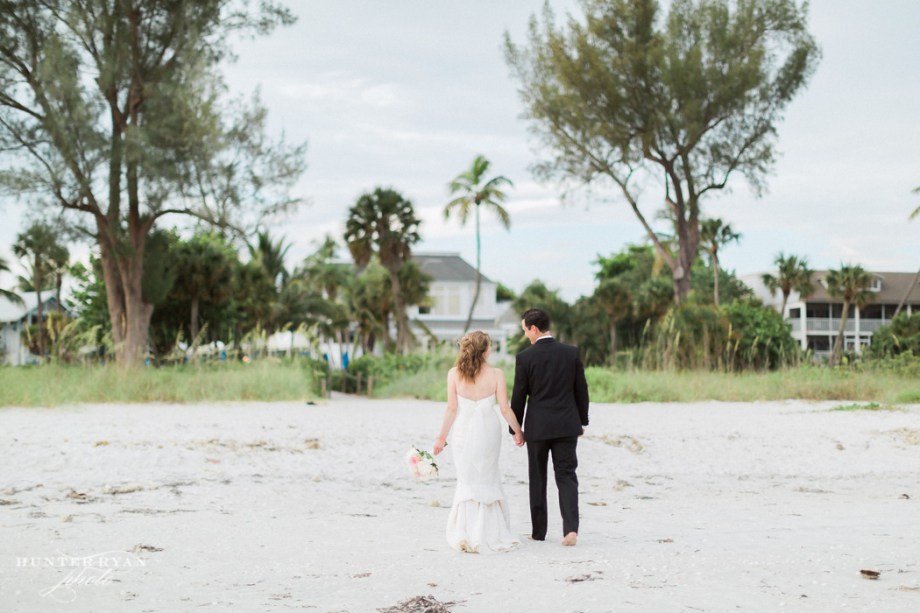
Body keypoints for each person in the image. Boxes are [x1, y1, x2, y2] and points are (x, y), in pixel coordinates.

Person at [433, 331, 525, 553]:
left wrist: (441, 438)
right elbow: (505, 409)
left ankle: (465, 530)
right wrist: (518, 431)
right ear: (484, 350)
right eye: (490, 345)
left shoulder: (454, 373)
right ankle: (490, 530)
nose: (491, 349)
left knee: (467, 477)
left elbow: (451, 409)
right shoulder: (496, 374)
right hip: (489, 431)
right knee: (487, 475)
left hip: (462, 431)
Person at [511, 308, 589, 546]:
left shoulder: (525, 358)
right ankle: (571, 529)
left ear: (534, 328)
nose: (526, 335)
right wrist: (582, 421)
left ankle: (539, 532)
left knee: (537, 477)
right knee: (566, 475)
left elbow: (519, 396)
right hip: (566, 425)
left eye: (526, 330)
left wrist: (516, 429)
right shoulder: (571, 353)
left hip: (538, 427)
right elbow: (581, 390)